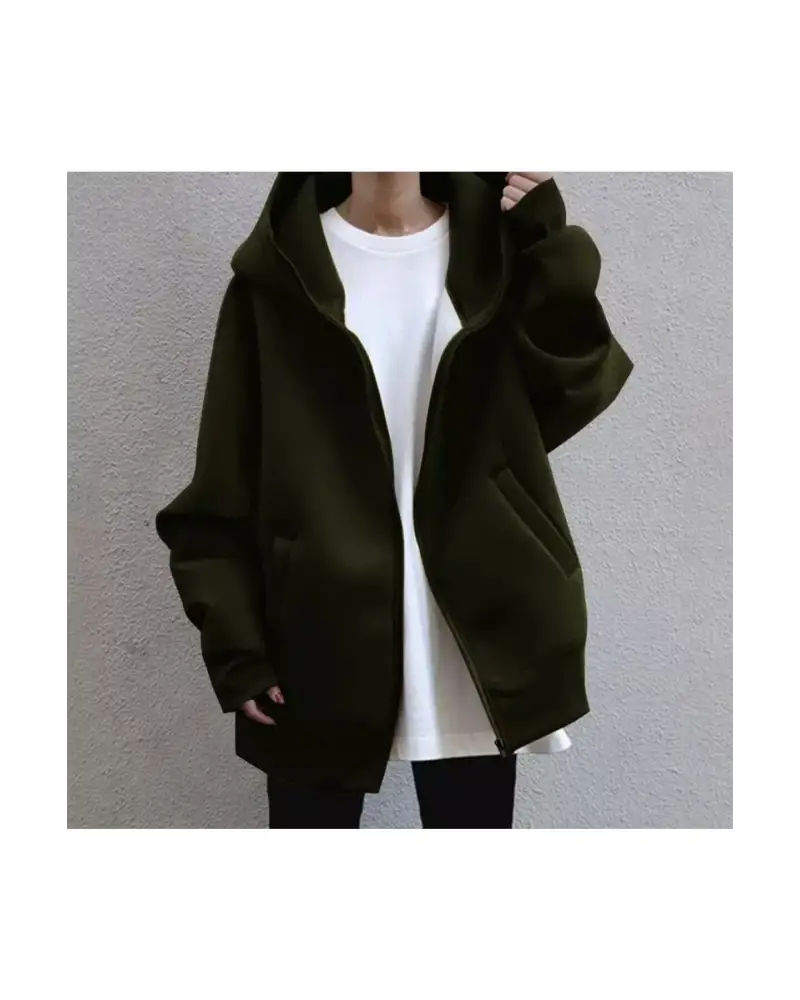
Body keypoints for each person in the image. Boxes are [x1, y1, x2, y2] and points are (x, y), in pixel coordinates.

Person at [155, 171, 634, 828]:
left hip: (479, 632)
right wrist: (238, 645)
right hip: (315, 638)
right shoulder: (275, 279)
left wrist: (545, 239)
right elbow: (222, 484)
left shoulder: (491, 255)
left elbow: (575, 383)